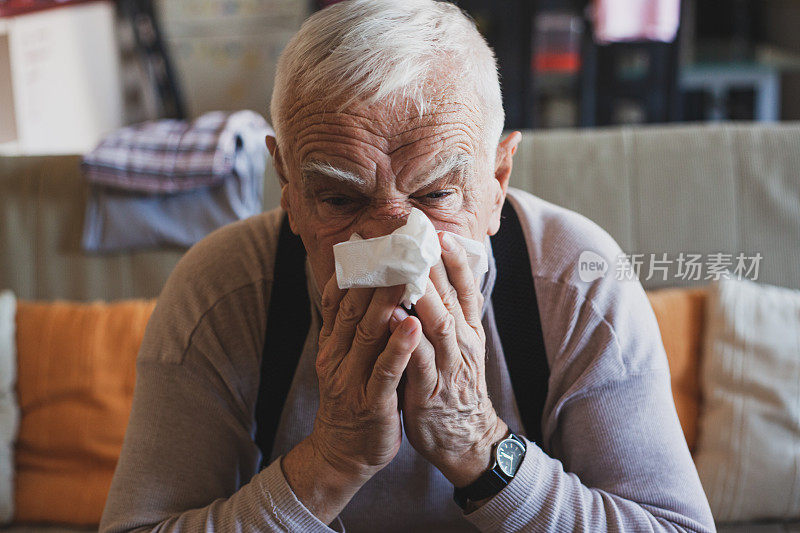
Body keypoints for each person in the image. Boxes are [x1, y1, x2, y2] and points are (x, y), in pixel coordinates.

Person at [100, 1, 716, 531]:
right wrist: (331, 462)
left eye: (436, 196)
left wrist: (478, 444)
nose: (396, 237)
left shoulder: (578, 281)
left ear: (497, 183)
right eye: (340, 199)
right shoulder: (223, 291)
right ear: (288, 187)